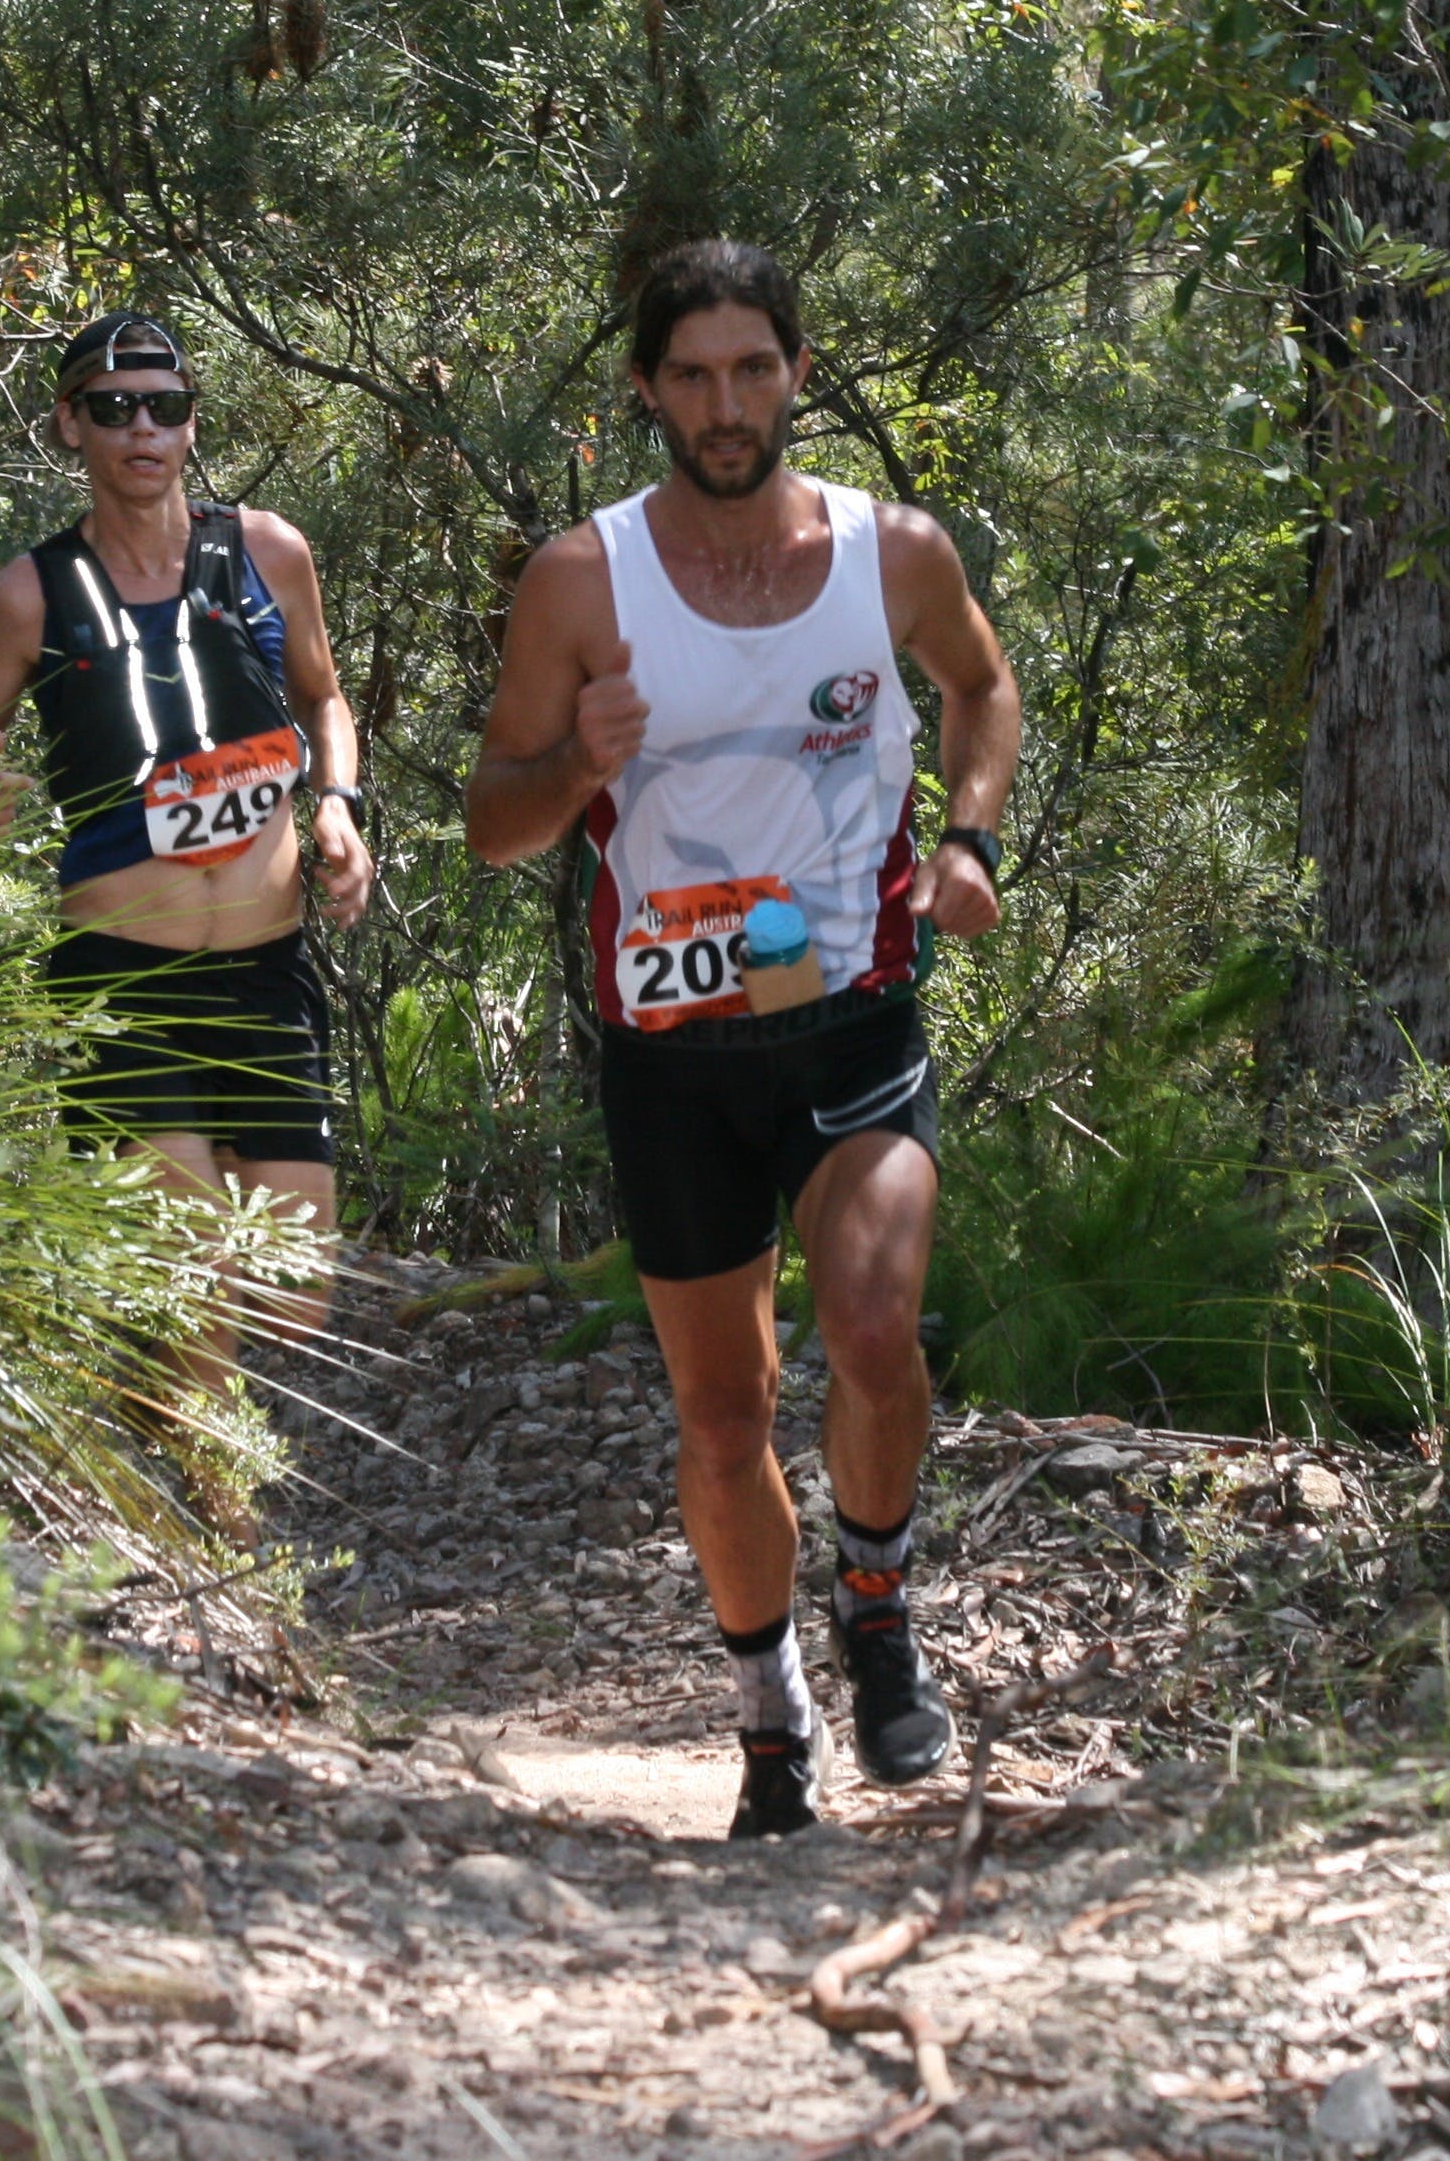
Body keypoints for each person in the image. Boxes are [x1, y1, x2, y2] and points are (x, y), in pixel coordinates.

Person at [465, 240, 1022, 1839]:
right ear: (647, 389)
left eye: (754, 369)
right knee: (722, 1413)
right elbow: (493, 825)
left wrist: (969, 841)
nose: (726, 405)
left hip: (854, 1012)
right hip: (671, 1053)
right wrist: (576, 763)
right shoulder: (584, 582)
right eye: (693, 375)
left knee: (870, 1329)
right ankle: (771, 1715)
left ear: (796, 372)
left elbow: (981, 691)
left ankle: (882, 1612)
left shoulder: (888, 552)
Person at [0, 314, 377, 1480]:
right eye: (113, 405)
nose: (143, 429)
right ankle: (218, 1547)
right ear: (70, 423)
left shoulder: (267, 552)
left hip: (267, 969)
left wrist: (339, 804)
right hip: (122, 978)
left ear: (191, 421)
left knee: (292, 1300)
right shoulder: (28, 597)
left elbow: (325, 697)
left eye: (164, 406)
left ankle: (117, 1402)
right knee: (194, 1288)